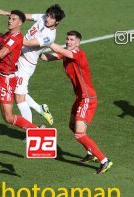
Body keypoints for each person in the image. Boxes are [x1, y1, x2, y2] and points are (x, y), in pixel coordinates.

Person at [41, 31, 112, 174]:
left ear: (78, 42)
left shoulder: (79, 54)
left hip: (87, 98)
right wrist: (33, 51)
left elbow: (59, 50)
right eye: (67, 39)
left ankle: (104, 160)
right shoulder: (66, 53)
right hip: (80, 98)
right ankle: (90, 153)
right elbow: (46, 57)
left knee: (79, 134)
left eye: (72, 40)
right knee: (72, 125)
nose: (68, 41)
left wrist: (46, 40)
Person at [0, 4, 65, 125]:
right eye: (48, 15)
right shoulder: (43, 17)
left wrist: (12, 38)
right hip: (18, 56)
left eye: (52, 17)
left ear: (57, 22)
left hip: (26, 65)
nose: (48, 18)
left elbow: (29, 43)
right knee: (14, 89)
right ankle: (40, 109)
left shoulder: (50, 36)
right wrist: (6, 13)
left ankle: (30, 130)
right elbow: (25, 16)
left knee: (19, 97)